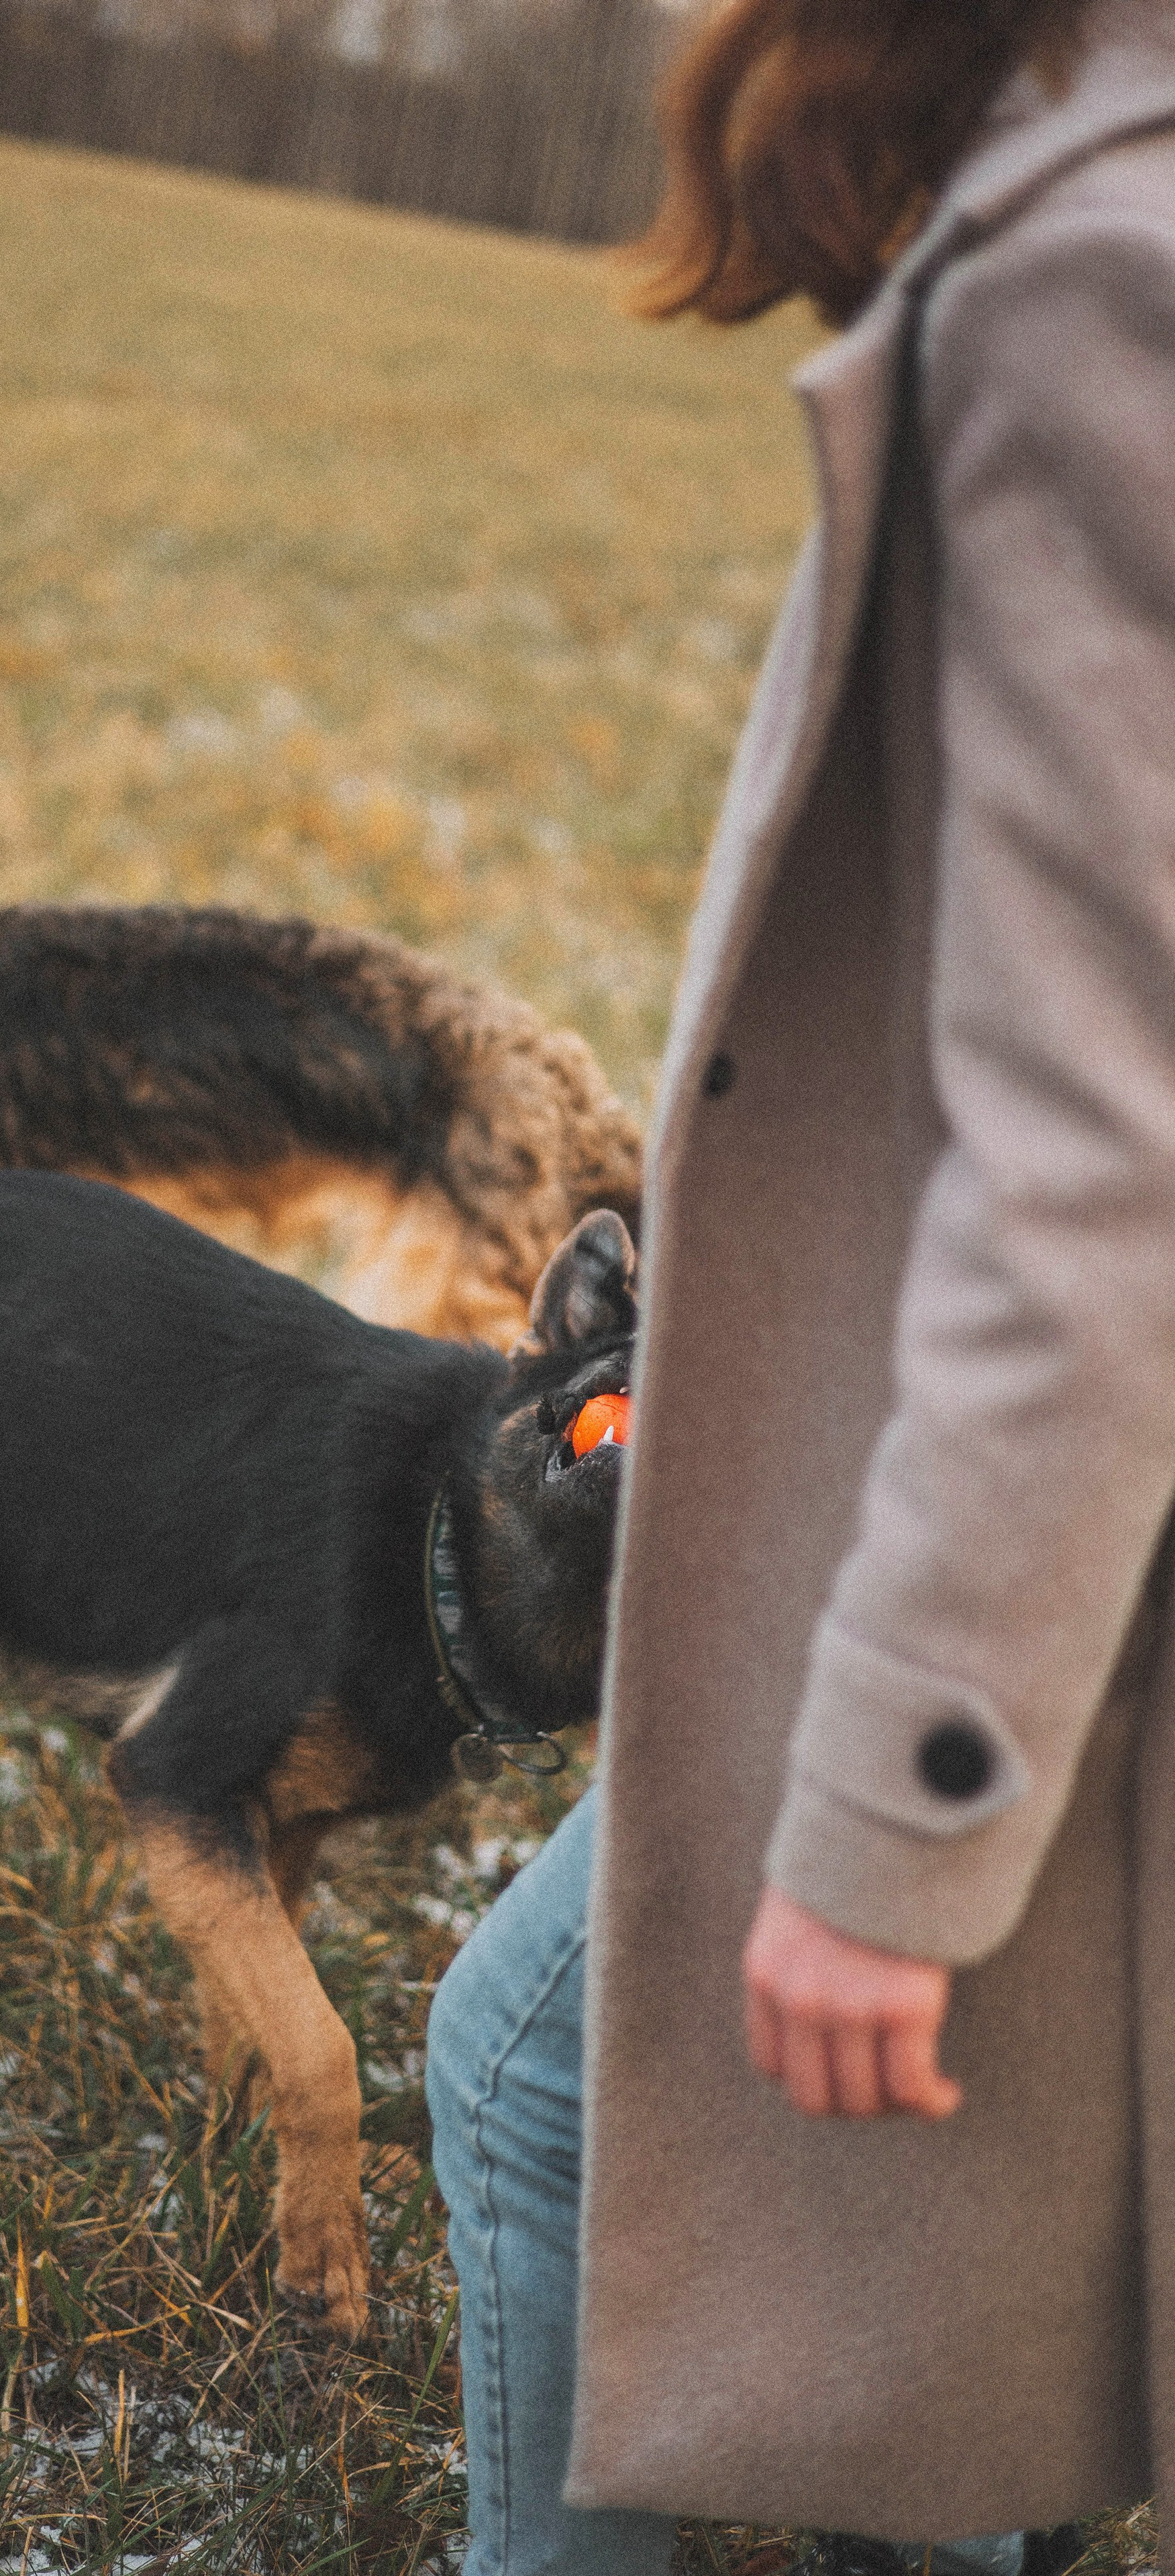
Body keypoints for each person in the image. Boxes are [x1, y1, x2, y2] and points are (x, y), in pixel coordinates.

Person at [425, 1, 1175, 2569]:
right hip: (1075, 1517)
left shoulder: (1094, 281)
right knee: (961, 2283)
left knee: (542, 2079)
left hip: (1028, 1536)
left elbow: (1104, 1175)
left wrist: (890, 1820)